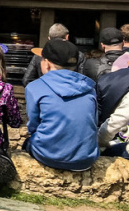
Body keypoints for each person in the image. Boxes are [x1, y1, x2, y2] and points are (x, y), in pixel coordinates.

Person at [24, 39, 99, 171]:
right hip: (86, 159)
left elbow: (33, 126)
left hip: (48, 156)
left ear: (46, 64)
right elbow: (93, 121)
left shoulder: (34, 87)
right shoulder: (89, 88)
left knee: (27, 143)